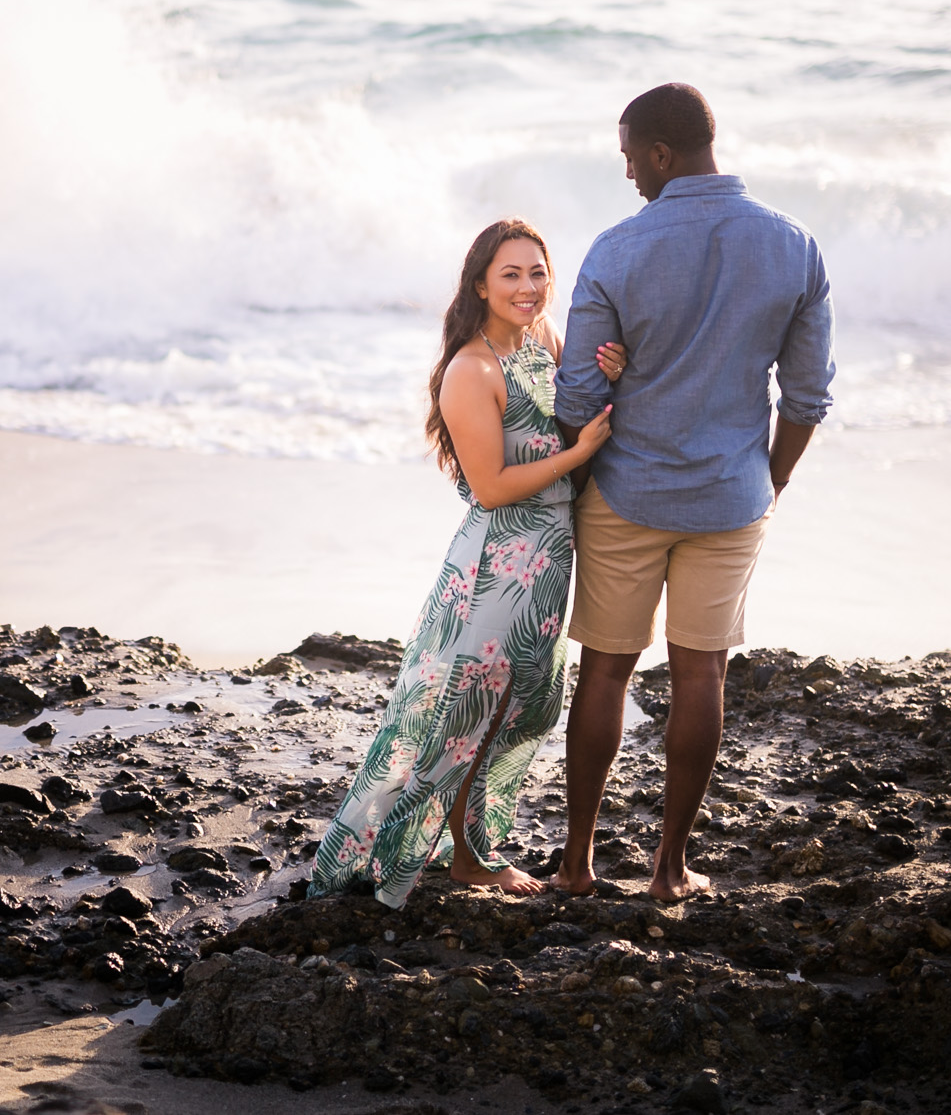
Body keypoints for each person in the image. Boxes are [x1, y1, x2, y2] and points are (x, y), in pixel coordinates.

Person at [550, 83, 834, 902]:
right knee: (701, 671)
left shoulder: (616, 250)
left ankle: (575, 864)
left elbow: (575, 401)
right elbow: (808, 397)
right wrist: (767, 480)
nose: (630, 173)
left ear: (662, 154)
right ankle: (670, 868)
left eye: (631, 157)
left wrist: (619, 382)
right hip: (731, 497)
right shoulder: (794, 246)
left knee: (605, 672)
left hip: (626, 493)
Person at [311, 219, 619, 905]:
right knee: (466, 712)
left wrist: (606, 383)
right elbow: (492, 485)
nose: (528, 287)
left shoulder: (543, 341)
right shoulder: (469, 369)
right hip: (496, 566)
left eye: (537, 272)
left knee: (521, 708)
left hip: (548, 558)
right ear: (480, 282)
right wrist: (576, 453)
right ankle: (463, 858)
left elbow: (569, 417)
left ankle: (464, 844)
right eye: (511, 274)